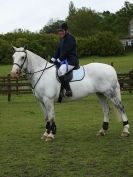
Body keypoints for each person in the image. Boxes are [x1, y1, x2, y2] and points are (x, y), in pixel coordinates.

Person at [50, 22, 79, 97]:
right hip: (64, 61)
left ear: (66, 30)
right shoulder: (62, 39)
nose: (60, 32)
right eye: (59, 31)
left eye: (62, 31)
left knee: (60, 72)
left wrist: (58, 60)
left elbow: (66, 52)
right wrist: (53, 59)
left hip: (71, 61)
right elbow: (58, 50)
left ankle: (68, 90)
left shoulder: (70, 38)